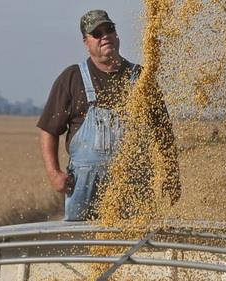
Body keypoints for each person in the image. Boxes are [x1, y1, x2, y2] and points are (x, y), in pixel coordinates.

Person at [37, 10, 180, 221]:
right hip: (85, 187)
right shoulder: (72, 78)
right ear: (86, 41)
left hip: (134, 183)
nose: (105, 36)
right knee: (83, 247)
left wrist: (171, 172)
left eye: (109, 30)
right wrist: (54, 173)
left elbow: (163, 131)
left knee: (135, 245)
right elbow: (49, 130)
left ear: (116, 35)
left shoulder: (141, 78)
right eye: (97, 33)